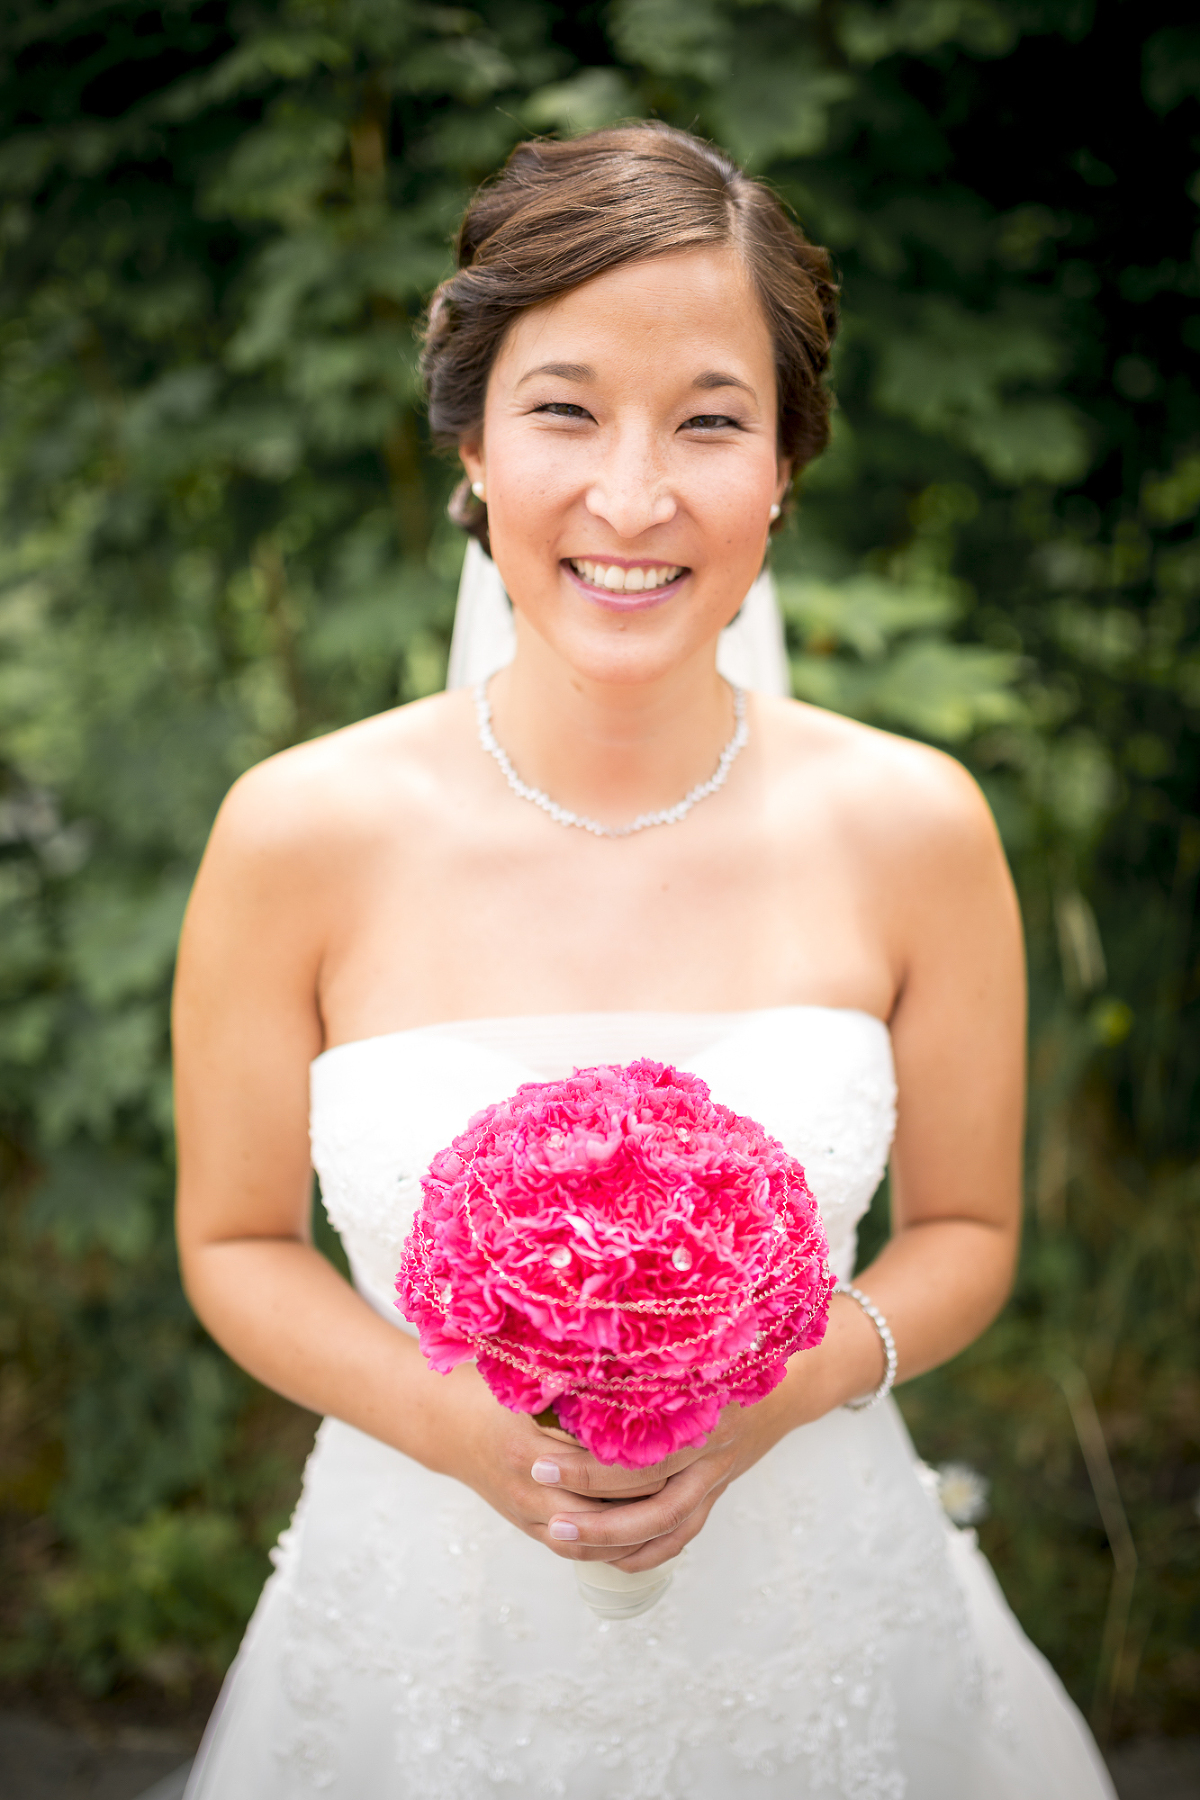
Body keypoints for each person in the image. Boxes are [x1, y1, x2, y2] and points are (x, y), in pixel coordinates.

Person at [174, 123, 1115, 1798]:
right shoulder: (296, 831)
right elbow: (238, 1242)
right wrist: (465, 1433)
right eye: (564, 408)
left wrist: (782, 1388)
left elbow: (964, 1234)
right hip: (422, 1626)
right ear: (468, 441)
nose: (632, 494)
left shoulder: (914, 824)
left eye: (709, 420)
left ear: (786, 468)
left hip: (825, 1618)